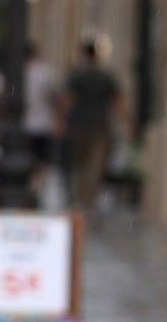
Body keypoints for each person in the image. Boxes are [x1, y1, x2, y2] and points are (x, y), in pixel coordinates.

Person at [62, 39, 121, 210]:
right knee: (95, 166)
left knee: (78, 165)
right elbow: (117, 102)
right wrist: (126, 123)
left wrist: (61, 121)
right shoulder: (105, 76)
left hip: (79, 126)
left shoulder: (76, 76)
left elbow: (67, 101)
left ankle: (79, 198)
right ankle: (88, 199)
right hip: (99, 126)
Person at [22, 42, 60, 196]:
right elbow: (54, 97)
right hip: (42, 123)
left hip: (27, 123)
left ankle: (34, 184)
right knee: (41, 157)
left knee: (30, 156)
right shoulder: (45, 71)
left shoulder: (20, 71)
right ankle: (38, 185)